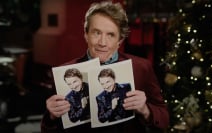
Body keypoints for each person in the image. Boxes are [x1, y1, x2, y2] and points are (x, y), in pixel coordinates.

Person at [41, 1, 169, 133]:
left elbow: (164, 119)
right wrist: (51, 117)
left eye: (110, 35)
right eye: (96, 33)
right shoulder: (65, 74)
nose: (102, 43)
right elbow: (49, 129)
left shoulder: (141, 67)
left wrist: (145, 110)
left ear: (120, 40)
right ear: (86, 34)